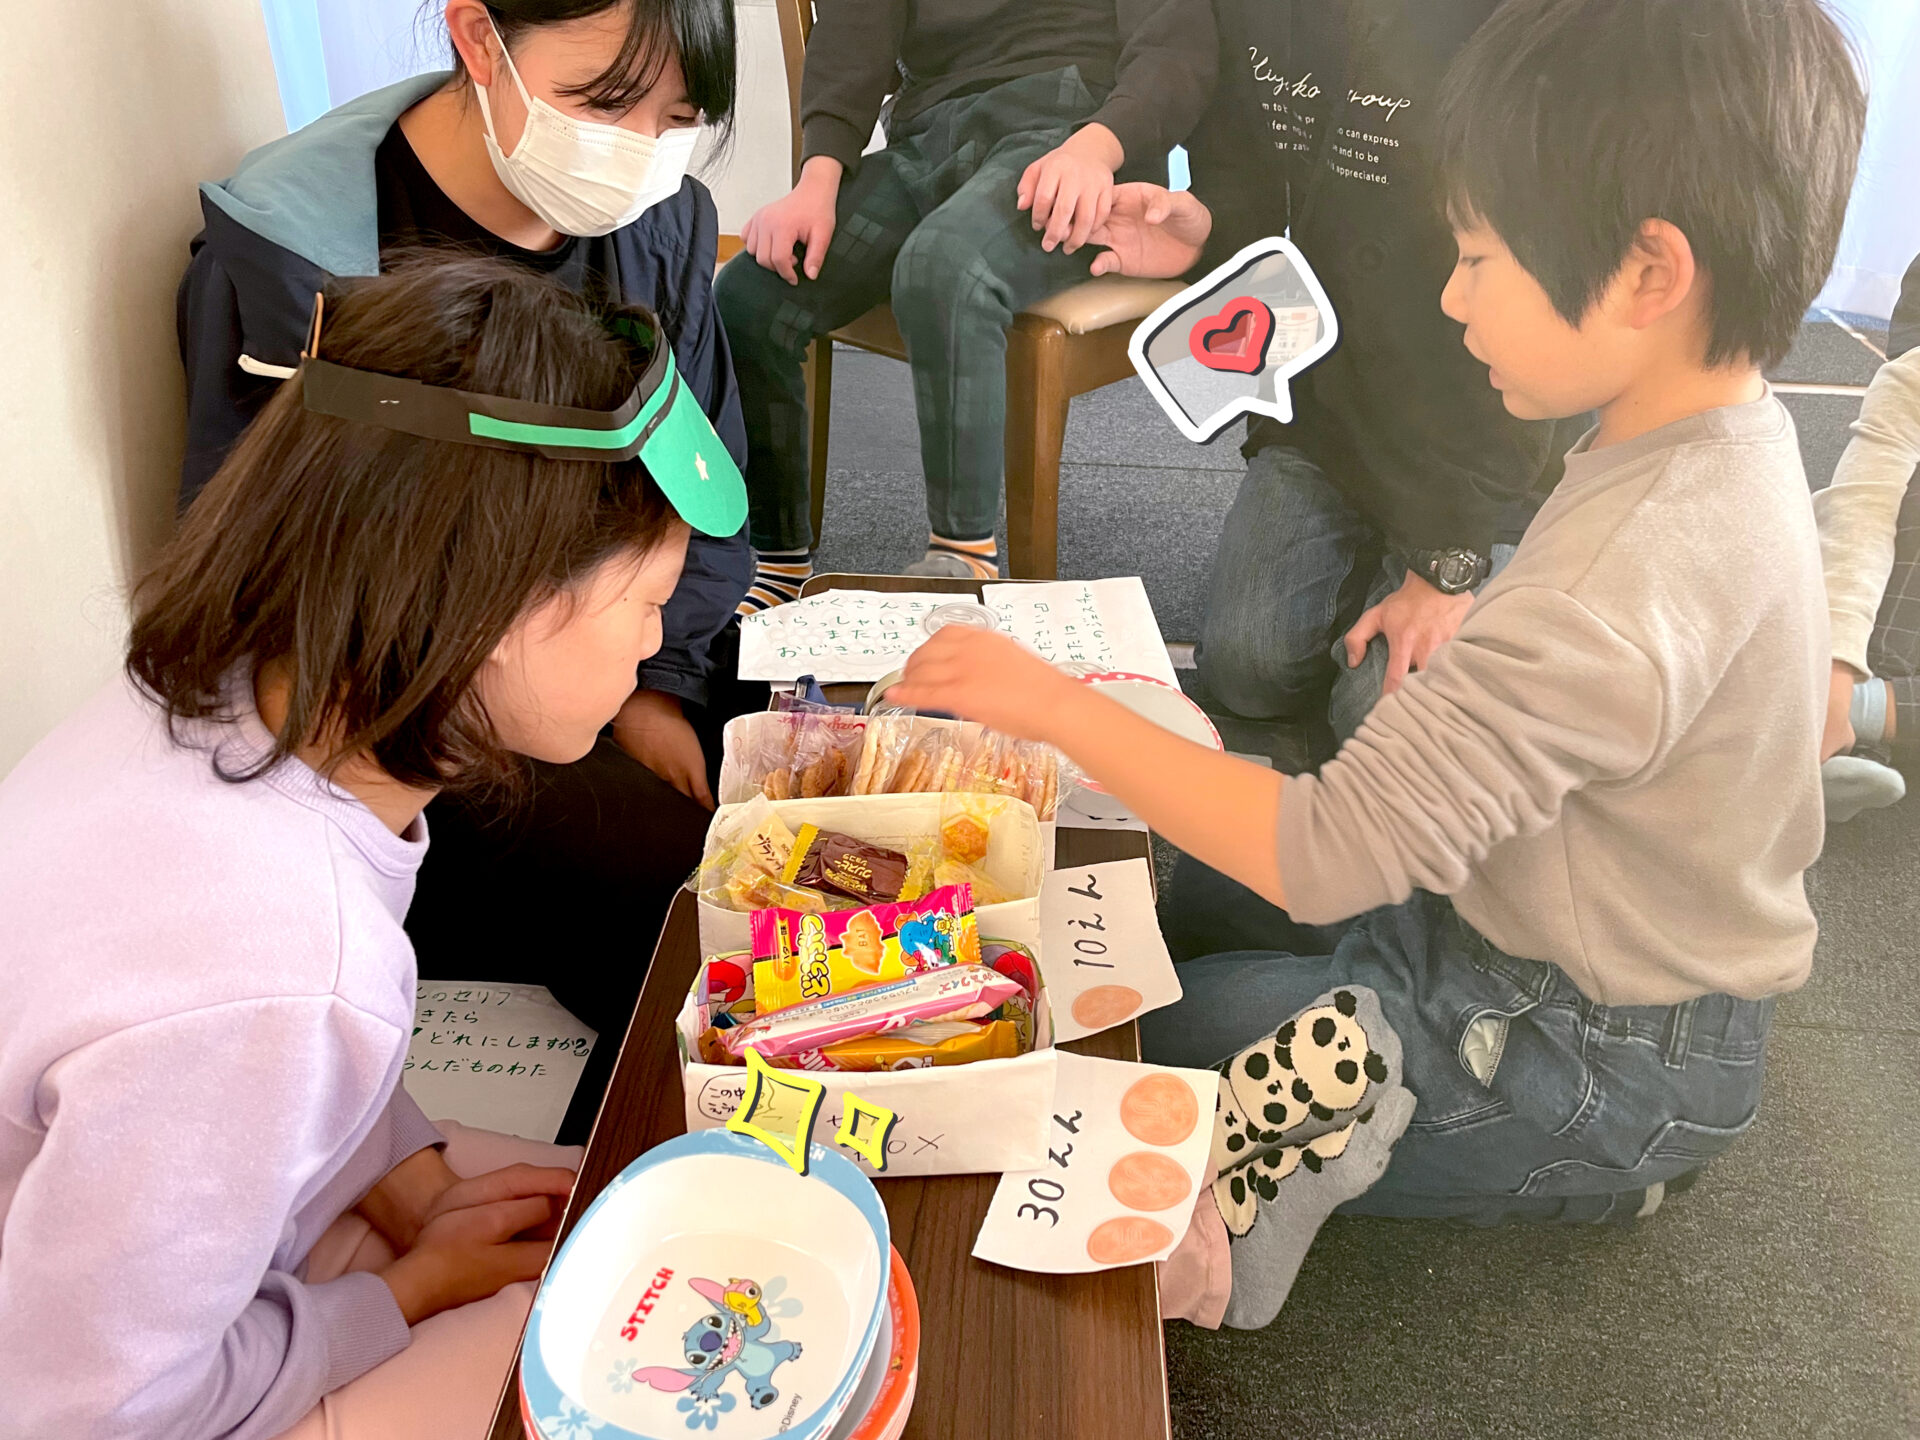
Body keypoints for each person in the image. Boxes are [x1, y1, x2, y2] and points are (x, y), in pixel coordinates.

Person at [891, 0, 1864, 1330]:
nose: (1455, 292)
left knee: (1136, 1038)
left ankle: (1586, 1170)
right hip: (1509, 918)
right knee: (1145, 923)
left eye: (1479, 260)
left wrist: (1045, 699)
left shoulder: (1613, 584)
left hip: (1589, 1043)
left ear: (1648, 273)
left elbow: (1325, 847)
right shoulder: (1698, 422)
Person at [0, 257, 750, 1438]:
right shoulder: (285, 967)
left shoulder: (215, 695)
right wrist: (396, 1298)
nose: (654, 643)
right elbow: (92, 1411)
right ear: (498, 611)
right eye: (647, 602)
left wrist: (404, 1175)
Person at [177, 0, 751, 1132]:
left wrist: (659, 674)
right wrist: (592, 691)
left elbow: (710, 482)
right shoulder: (300, 262)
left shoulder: (660, 215)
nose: (641, 148)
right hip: (431, 713)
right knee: (697, 895)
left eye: (678, 117)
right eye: (602, 103)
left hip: (611, 643)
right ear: (478, 38)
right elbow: (271, 598)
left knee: (824, 762)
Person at [1083, 0, 1565, 748]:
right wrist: (1205, 235)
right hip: (1328, 411)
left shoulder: (1515, 27)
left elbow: (1555, 320)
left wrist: (1446, 566)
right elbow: (1246, 173)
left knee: (1384, 721)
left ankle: (1509, 580)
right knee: (1246, 670)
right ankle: (1377, 573)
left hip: (1484, 428)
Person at [713, 0, 1216, 605]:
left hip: (1074, 136)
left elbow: (1175, 47)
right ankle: (780, 562)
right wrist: (816, 181)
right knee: (751, 294)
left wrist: (1099, 148)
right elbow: (855, 30)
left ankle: (963, 557)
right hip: (930, 133)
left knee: (943, 267)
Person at [1818, 253, 1920, 821]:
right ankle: (1838, 710)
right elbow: (1863, 510)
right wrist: (1835, 667)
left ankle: (1865, 718)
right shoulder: (1914, 378)